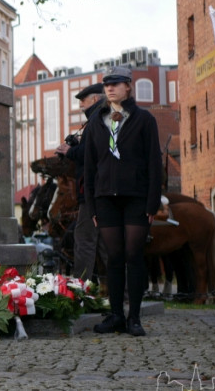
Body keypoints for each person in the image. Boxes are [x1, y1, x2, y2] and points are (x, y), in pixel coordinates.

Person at [84, 65, 163, 337]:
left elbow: (155, 163)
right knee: (114, 258)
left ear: (128, 86)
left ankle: (135, 318)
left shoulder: (144, 119)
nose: (110, 88)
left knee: (133, 256)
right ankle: (116, 315)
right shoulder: (96, 121)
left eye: (116, 83)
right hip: (105, 199)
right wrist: (92, 205)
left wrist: (152, 203)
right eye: (107, 84)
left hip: (136, 198)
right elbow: (89, 167)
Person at [53, 82, 107, 281]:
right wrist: (76, 144)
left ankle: (80, 287)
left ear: (94, 99)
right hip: (100, 189)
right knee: (102, 243)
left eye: (83, 101)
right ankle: (120, 291)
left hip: (91, 190)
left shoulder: (97, 119)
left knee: (83, 239)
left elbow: (92, 153)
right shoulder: (103, 117)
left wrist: (70, 151)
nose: (81, 106)